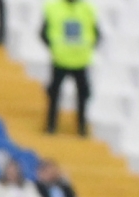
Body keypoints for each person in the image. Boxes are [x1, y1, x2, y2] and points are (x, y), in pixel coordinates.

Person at [40, 0, 98, 137]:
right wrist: (54, 48)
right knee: (54, 93)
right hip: (61, 59)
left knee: (83, 94)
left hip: (80, 60)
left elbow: (96, 33)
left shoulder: (87, 9)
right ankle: (51, 125)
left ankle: (81, 127)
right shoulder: (53, 8)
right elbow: (43, 33)